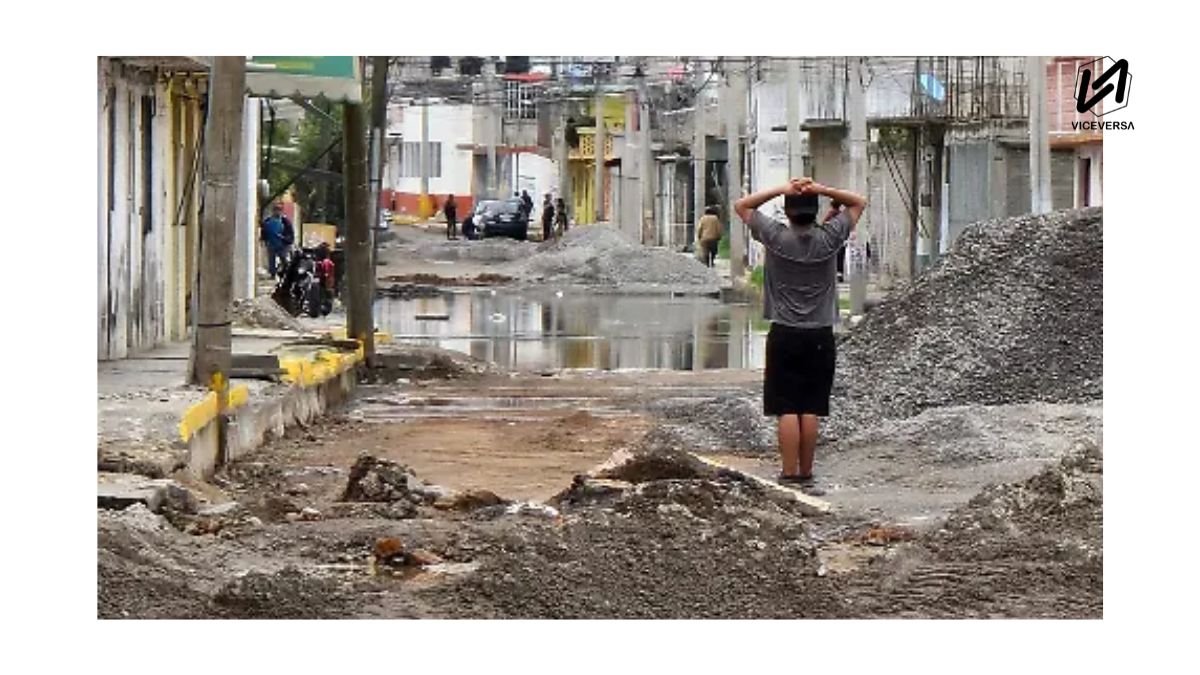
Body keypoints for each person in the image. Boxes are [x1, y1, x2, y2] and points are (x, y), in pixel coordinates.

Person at [734, 177, 866, 495]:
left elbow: (742, 206)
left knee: (787, 406)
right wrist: (822, 188)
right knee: (811, 405)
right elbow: (858, 202)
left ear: (788, 213)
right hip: (820, 334)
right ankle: (807, 472)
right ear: (813, 211)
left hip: (784, 333)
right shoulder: (829, 238)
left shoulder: (776, 236)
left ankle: (788, 473)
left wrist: (781, 189)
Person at [260, 203, 295, 277]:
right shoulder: (268, 221)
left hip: (283, 244)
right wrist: (264, 239)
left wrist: (284, 238)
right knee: (271, 260)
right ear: (273, 211)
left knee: (284, 258)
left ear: (281, 212)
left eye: (279, 210)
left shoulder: (285, 221)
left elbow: (290, 233)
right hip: (272, 243)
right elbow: (264, 230)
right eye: (276, 210)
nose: (277, 212)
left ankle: (287, 271)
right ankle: (273, 274)